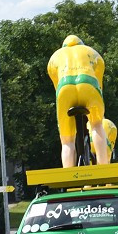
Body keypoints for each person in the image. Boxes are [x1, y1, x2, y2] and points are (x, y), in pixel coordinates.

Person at [47, 35, 108, 168]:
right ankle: (104, 166)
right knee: (97, 125)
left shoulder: (54, 57)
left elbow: (56, 88)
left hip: (64, 87)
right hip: (89, 84)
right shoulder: (92, 52)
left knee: (67, 140)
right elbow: (99, 83)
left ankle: (68, 172)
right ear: (81, 44)